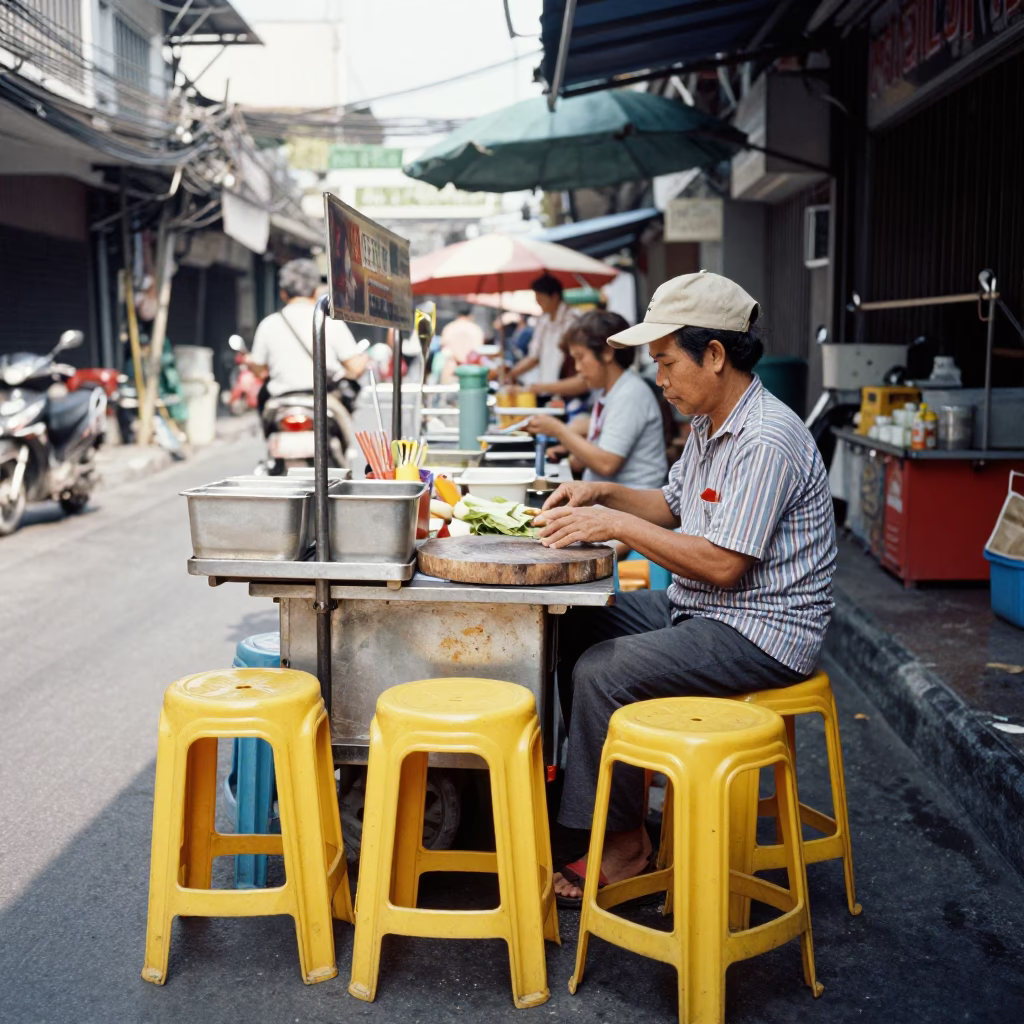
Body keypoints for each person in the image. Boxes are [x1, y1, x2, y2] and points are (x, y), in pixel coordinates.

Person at [534, 270, 837, 905]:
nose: (661, 378)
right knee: (573, 622)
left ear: (716, 355)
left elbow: (725, 565)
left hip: (762, 630)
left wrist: (612, 522)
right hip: (703, 612)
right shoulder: (707, 425)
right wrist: (600, 492)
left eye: (667, 362)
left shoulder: (767, 438)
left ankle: (625, 846)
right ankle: (605, 800)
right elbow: (671, 506)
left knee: (603, 670)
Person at [523, 311, 667, 490]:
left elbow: (606, 464)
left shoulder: (630, 393)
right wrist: (571, 448)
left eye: (580, 357)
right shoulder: (608, 391)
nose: (577, 368)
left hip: (632, 508)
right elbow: (594, 455)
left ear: (606, 352)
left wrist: (559, 431)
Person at [247, 259, 367, 414]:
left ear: (283, 294)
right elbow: (355, 368)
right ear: (316, 291)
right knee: (346, 432)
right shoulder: (329, 323)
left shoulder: (268, 324)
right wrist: (363, 360)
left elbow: (259, 370)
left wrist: (249, 361)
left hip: (280, 404)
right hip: (325, 402)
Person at [507, 274, 578, 387]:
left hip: (567, 389)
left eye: (541, 300)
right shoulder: (543, 321)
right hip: (546, 386)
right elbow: (533, 357)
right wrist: (511, 374)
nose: (539, 305)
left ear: (554, 297)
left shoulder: (573, 320)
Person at [439, 305, 485, 383]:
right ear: (470, 315)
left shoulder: (449, 328)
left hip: (452, 370)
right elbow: (479, 348)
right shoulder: (476, 329)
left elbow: (443, 347)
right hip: (470, 369)